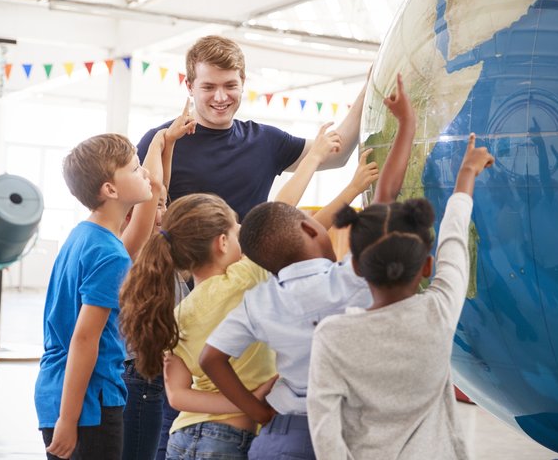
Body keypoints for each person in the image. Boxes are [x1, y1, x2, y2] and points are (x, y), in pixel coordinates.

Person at [120, 124, 374, 460]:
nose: (247, 236)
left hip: (182, 437)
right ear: (222, 243)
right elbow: (286, 221)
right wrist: (337, 177)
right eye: (239, 231)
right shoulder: (242, 280)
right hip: (228, 439)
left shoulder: (178, 312)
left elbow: (178, 395)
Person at [198, 75, 416, 459]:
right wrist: (406, 124)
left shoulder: (258, 300)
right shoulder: (351, 276)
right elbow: (387, 196)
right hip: (340, 434)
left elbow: (210, 359)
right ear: (309, 228)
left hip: (278, 436)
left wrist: (258, 410)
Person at [307, 134, 494, 459]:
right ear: (427, 267)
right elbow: (453, 240)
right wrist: (466, 174)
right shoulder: (438, 312)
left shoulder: (332, 336)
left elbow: (325, 434)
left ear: (358, 268)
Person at [136, 35, 371, 221]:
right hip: (178, 279)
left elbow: (336, 153)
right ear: (190, 86)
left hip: (249, 275)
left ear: (243, 83)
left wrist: (368, 90)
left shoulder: (265, 141)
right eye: (208, 87)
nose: (220, 97)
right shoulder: (161, 141)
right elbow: (132, 215)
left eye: (230, 85)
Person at [34, 133, 153, 460]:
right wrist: (69, 420)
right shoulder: (110, 255)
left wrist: (162, 146)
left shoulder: (82, 235)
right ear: (110, 189)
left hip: (56, 389)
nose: (145, 175)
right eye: (135, 168)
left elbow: (141, 225)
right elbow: (85, 339)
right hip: (88, 404)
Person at [121, 104, 196, 460]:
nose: (161, 211)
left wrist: (170, 145)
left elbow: (159, 186)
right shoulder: (134, 251)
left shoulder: (162, 249)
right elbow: (152, 187)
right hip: (140, 376)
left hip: (158, 372)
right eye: (155, 207)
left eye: (165, 206)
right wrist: (158, 141)